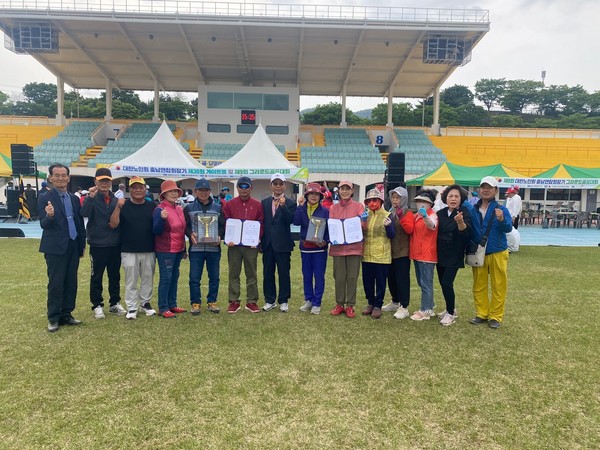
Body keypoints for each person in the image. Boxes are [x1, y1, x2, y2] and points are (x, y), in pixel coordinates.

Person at [38, 163, 86, 332]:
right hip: (55, 248)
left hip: (73, 245)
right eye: (56, 175)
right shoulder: (45, 197)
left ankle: (67, 313)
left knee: (71, 281)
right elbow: (43, 224)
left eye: (63, 175)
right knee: (56, 283)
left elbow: (79, 223)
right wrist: (49, 216)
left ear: (68, 177)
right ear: (50, 178)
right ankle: (53, 317)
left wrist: (81, 245)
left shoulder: (73, 198)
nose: (60, 178)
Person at [109, 176, 157, 320]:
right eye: (134, 187)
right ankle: (132, 306)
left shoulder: (152, 206)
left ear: (145, 189)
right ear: (130, 190)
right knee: (131, 280)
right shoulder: (123, 205)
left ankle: (145, 303)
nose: (137, 190)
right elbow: (113, 224)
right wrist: (117, 207)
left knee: (148, 278)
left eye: (140, 187)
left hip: (149, 248)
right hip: (128, 249)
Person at [81, 168, 126, 319]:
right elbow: (84, 213)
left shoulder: (115, 200)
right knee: (97, 276)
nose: (104, 184)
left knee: (114, 275)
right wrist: (90, 197)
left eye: (107, 180)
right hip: (97, 244)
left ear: (111, 182)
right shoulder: (92, 198)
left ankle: (114, 303)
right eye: (101, 181)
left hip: (114, 244)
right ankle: (97, 305)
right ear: (95, 182)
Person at [469, 176, 512, 329]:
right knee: (479, 284)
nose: (486, 190)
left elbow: (508, 228)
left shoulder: (501, 209)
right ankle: (481, 313)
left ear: (496, 190)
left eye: (489, 187)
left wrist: (501, 219)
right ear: (479, 190)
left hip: (497, 251)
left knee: (498, 285)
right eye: (483, 187)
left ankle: (495, 316)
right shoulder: (473, 209)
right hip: (479, 252)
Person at [222, 176, 264, 314]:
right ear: (237, 188)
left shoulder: (258, 205)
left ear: (251, 188)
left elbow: (261, 223)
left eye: (246, 187)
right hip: (234, 245)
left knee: (251, 272)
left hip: (250, 246)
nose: (244, 189)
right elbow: (226, 223)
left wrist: (257, 239)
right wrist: (228, 239)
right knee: (234, 272)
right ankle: (234, 300)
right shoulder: (230, 204)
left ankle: (252, 301)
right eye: (241, 186)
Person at [184, 178, 225, 315]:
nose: (203, 193)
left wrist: (219, 236)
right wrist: (190, 234)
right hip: (196, 249)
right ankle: (195, 303)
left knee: (214, 277)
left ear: (210, 191)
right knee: (195, 278)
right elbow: (185, 226)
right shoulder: (189, 208)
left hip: (214, 249)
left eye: (206, 190)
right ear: (195, 191)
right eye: (200, 190)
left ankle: (212, 301)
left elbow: (222, 226)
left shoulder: (218, 208)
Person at [328, 180, 366, 318]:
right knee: (339, 277)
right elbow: (332, 227)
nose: (344, 191)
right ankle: (339, 304)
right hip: (338, 248)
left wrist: (364, 221)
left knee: (352, 277)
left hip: (354, 248)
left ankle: (350, 305)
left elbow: (363, 227)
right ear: (338, 191)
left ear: (352, 191)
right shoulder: (333, 208)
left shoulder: (358, 206)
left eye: (347, 189)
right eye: (342, 189)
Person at [435, 185, 472, 326]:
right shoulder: (441, 213)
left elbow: (466, 231)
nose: (453, 199)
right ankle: (450, 308)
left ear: (461, 199)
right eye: (450, 196)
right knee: (442, 283)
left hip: (454, 254)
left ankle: (450, 313)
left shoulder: (464, 212)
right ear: (446, 198)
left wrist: (460, 222)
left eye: (456, 196)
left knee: (447, 283)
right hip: (440, 253)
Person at [261, 173, 297, 312]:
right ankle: (270, 300)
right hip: (268, 244)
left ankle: (283, 300)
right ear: (271, 185)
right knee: (268, 273)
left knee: (283, 273)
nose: (277, 186)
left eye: (280, 183)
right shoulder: (264, 202)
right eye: (275, 183)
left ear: (285, 185)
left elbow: (290, 220)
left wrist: (283, 206)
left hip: (283, 244)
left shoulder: (290, 203)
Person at [401, 189, 438, 321]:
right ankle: (430, 306)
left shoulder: (432, 215)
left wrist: (425, 217)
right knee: (421, 282)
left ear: (430, 204)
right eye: (418, 201)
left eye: (424, 201)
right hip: (417, 253)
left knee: (426, 283)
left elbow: (431, 225)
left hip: (427, 254)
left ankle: (425, 310)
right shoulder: (417, 215)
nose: (420, 204)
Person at [153, 180, 188, 318]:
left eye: (175, 191)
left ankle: (172, 304)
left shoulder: (179, 208)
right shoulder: (160, 209)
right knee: (166, 278)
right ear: (164, 194)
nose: (173, 194)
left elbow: (182, 230)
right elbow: (156, 230)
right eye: (170, 191)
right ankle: (163, 307)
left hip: (178, 249)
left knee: (174, 277)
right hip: (165, 250)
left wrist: (184, 249)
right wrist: (161, 219)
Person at [293, 182, 329, 315]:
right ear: (307, 195)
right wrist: (300, 206)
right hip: (305, 247)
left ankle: (317, 302)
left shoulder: (325, 211)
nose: (314, 196)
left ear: (320, 196)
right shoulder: (302, 208)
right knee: (306, 275)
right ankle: (309, 299)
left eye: (317, 194)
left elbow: (329, 230)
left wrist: (325, 241)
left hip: (319, 249)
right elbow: (296, 221)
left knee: (319, 275)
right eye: (311, 193)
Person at [361, 188, 395, 319]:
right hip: (367, 254)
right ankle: (370, 303)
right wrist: (362, 222)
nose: (372, 203)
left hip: (382, 255)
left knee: (380, 282)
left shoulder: (387, 214)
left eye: (374, 200)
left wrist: (389, 226)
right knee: (367, 282)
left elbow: (392, 235)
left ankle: (378, 306)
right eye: (369, 201)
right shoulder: (365, 214)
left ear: (380, 201)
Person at [381, 186, 412, 319]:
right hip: (390, 251)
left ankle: (404, 306)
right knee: (391, 278)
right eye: (393, 197)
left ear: (403, 198)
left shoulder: (408, 212)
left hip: (403, 251)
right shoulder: (389, 212)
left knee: (402, 279)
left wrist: (401, 216)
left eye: (398, 197)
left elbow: (410, 230)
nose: (395, 200)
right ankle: (395, 301)